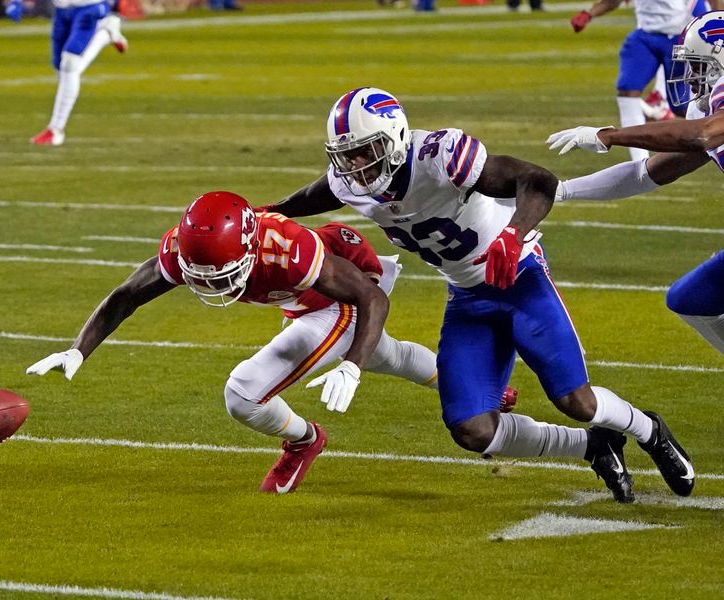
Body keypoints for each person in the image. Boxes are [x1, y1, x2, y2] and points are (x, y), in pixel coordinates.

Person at [258, 86, 696, 503]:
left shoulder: (440, 155)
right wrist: (266, 214)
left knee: (576, 401)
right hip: (467, 295)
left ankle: (648, 430)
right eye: (346, 156)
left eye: (364, 152)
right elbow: (316, 195)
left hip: (518, 276)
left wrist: (513, 232)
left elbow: (538, 181)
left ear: (393, 139)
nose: (356, 167)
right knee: (472, 430)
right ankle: (595, 447)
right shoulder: (350, 181)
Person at [26, 191, 472, 494]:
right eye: (201, 275)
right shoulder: (187, 248)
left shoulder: (286, 249)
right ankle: (470, 388)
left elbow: (369, 297)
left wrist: (350, 365)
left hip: (343, 292)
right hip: (302, 301)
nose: (210, 285)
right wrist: (77, 349)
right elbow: (127, 295)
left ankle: (304, 440)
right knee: (386, 354)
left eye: (219, 275)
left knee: (244, 393)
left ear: (249, 249)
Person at [547, 10, 724, 358]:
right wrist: (562, 190)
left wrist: (612, 136)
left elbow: (702, 134)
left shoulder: (713, 121)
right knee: (690, 299)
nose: (691, 79)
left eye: (699, 65)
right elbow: (647, 174)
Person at [569, 0, 697, 161]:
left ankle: (717, 133)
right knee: (627, 90)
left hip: (680, 39)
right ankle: (639, 161)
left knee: (681, 105)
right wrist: (589, 14)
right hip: (645, 36)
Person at [23, 0, 128, 146]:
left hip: (89, 8)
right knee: (61, 69)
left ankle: (55, 129)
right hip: (62, 10)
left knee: (69, 64)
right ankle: (106, 33)